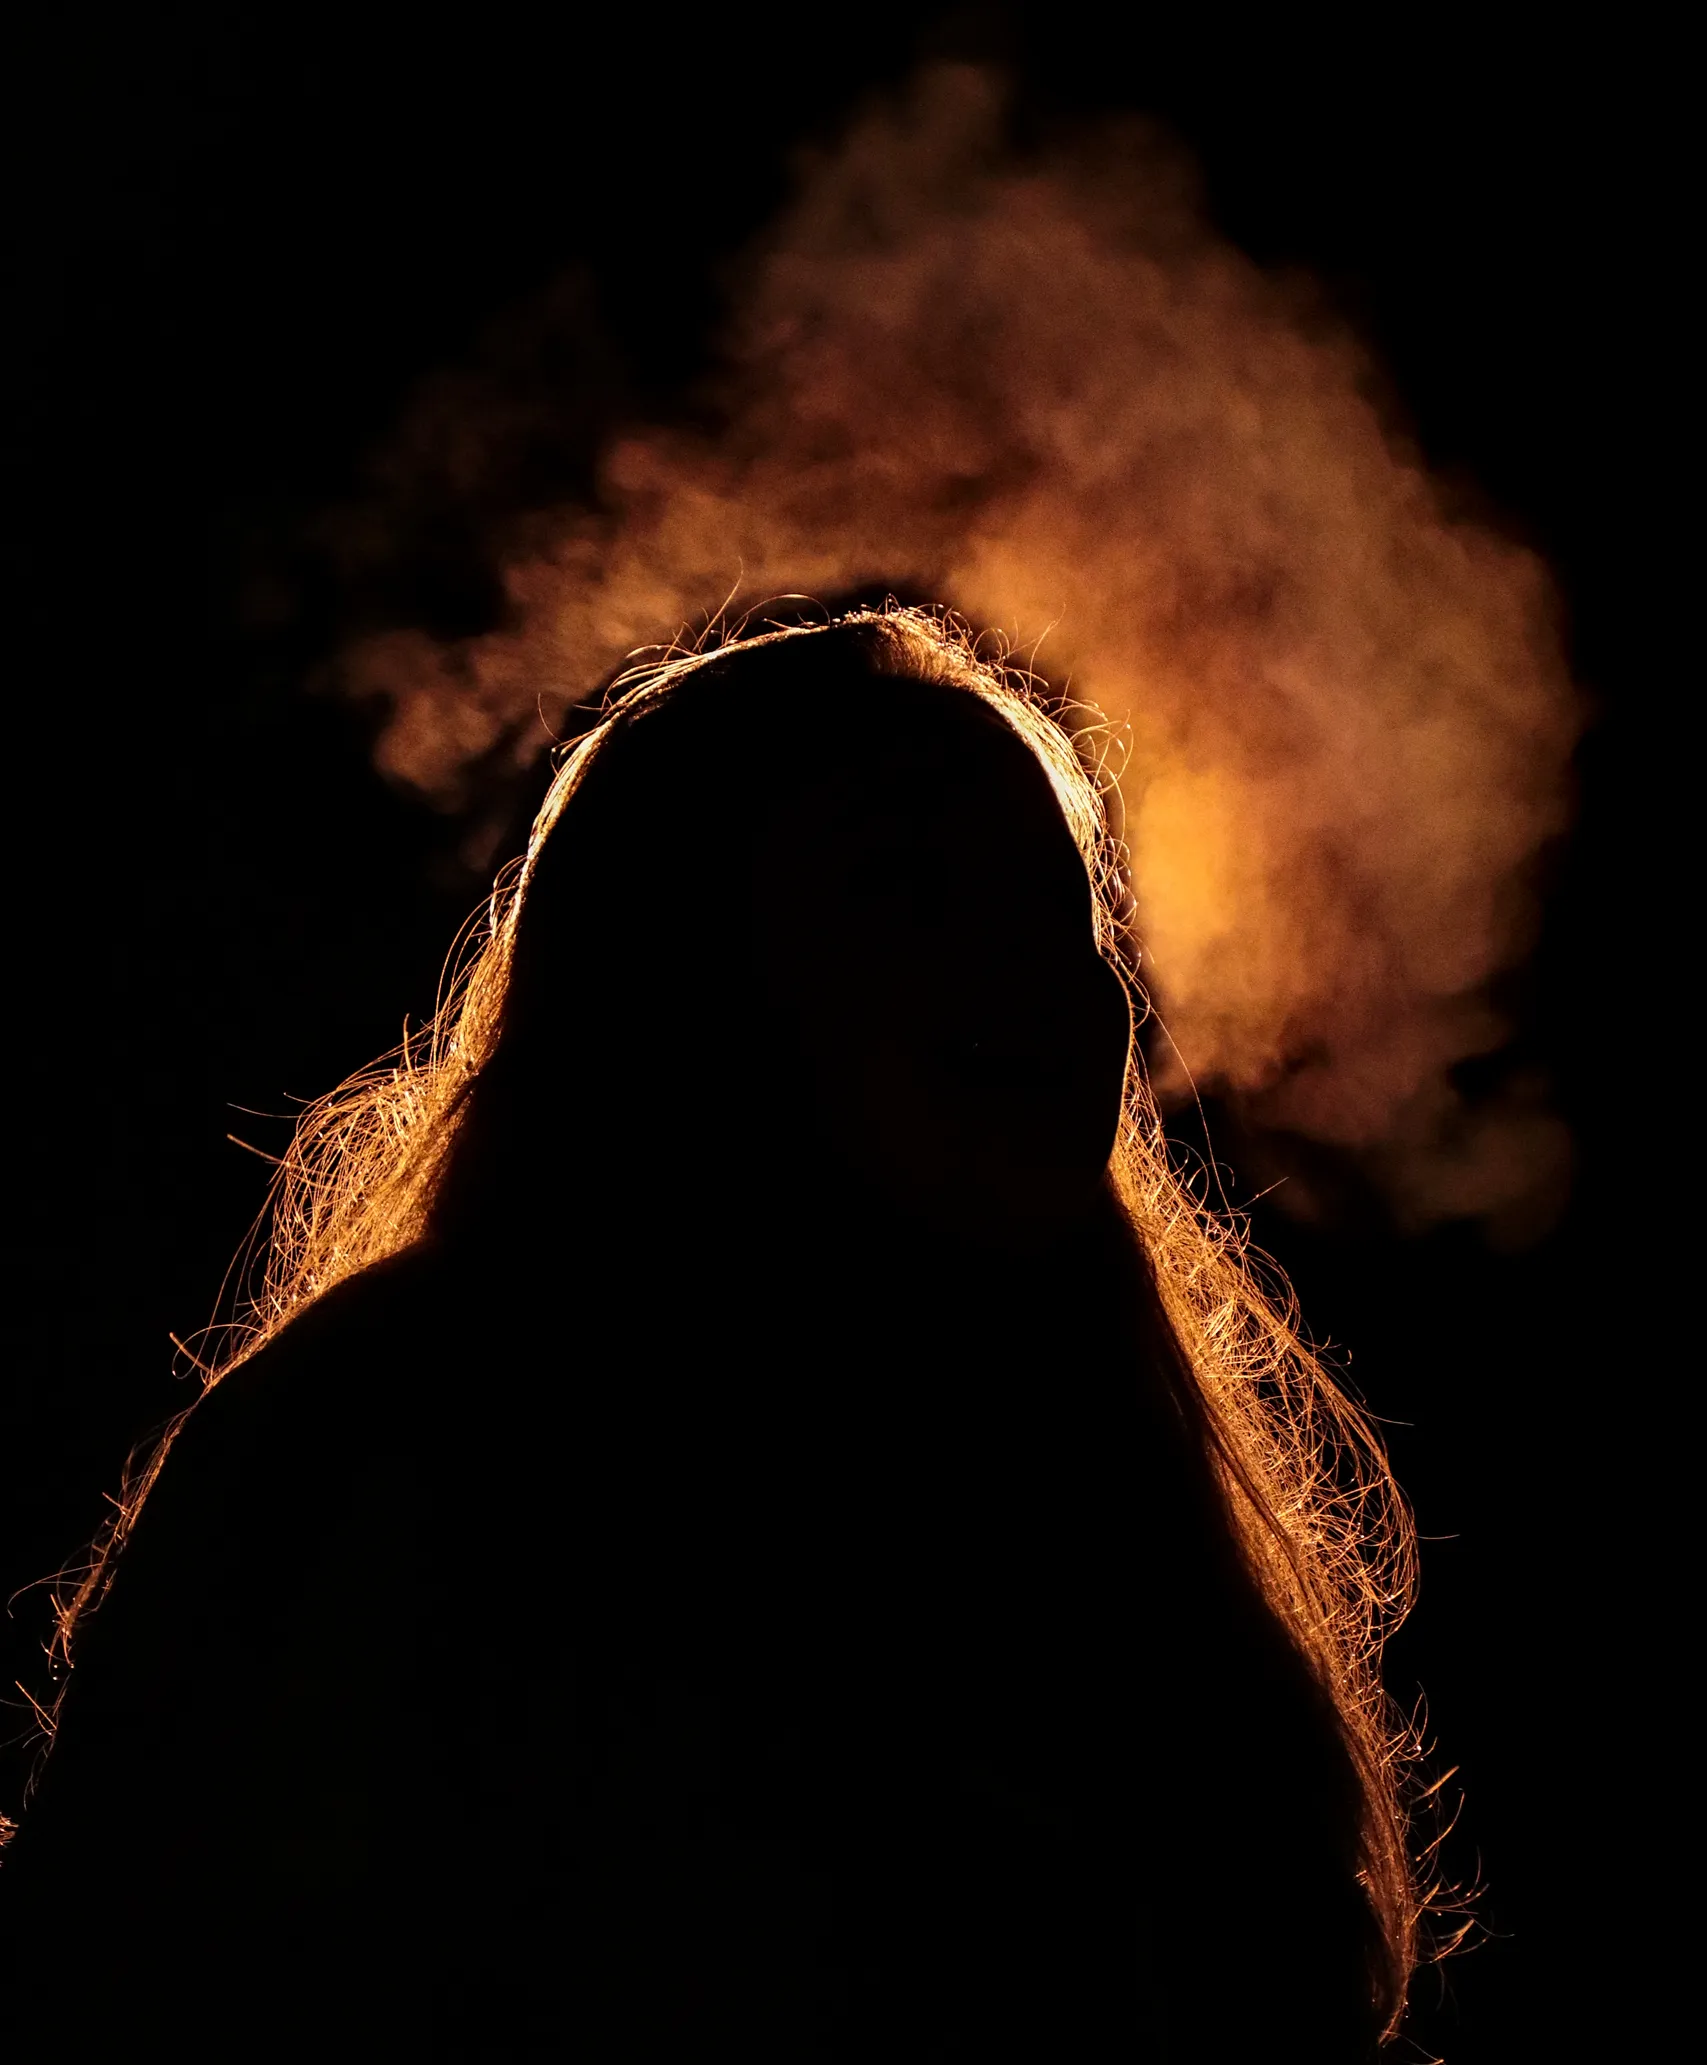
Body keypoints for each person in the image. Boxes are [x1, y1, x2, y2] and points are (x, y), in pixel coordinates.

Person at [0, 608, 1421, 2058]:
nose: (1022, 965)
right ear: (680, 976)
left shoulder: (1084, 1491)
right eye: (901, 889)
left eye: (1054, 905)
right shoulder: (403, 1439)